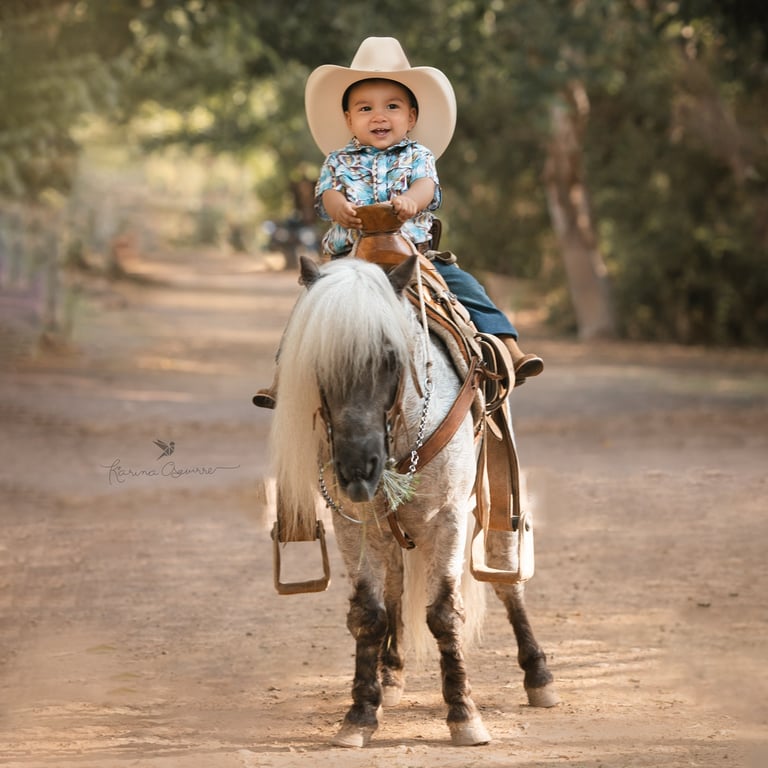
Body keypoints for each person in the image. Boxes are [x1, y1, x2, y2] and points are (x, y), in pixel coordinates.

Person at [253, 37, 542, 409]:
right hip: (350, 260)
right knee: (309, 301)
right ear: (348, 119)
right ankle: (283, 376)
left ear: (411, 117)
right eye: (365, 108)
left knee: (467, 288)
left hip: (414, 256)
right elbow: (328, 194)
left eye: (392, 106)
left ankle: (508, 347)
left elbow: (426, 187)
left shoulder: (419, 155)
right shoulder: (337, 161)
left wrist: (411, 202)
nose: (379, 116)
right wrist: (339, 207)